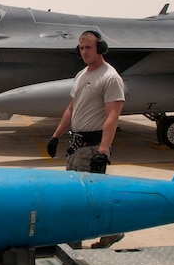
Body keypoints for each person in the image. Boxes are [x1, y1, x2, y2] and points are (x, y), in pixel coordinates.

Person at [47, 29, 127, 249]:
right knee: (83, 196)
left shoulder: (110, 77)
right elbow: (72, 109)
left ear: (100, 48)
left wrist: (103, 151)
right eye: (81, 48)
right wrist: (55, 136)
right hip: (76, 147)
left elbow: (113, 115)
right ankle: (110, 232)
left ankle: (74, 244)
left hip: (92, 148)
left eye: (88, 47)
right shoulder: (82, 75)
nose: (84, 52)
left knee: (80, 199)